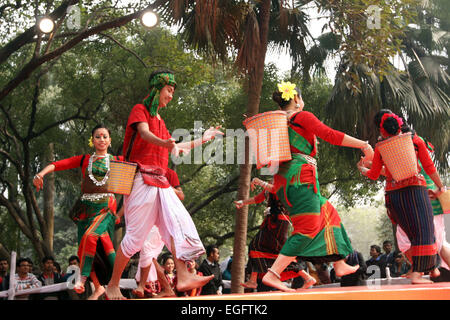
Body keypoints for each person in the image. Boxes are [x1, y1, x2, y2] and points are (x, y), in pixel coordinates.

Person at [105, 69, 222, 300]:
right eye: (169, 91)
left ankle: (184, 275)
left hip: (160, 183)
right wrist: (165, 143)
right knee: (135, 238)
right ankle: (113, 284)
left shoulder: (161, 120)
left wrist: (204, 138)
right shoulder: (140, 111)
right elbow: (145, 134)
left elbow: (177, 147)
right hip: (141, 180)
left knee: (176, 227)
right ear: (157, 89)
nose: (171, 96)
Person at [249, 81, 373, 292]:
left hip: (285, 184)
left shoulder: (277, 124)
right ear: (296, 99)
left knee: (328, 212)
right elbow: (330, 135)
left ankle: (339, 263)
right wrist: (364, 144)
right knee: (306, 229)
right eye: (301, 97)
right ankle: (273, 274)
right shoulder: (301, 117)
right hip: (301, 180)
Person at [33, 124, 121, 299]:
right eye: (97, 136)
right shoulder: (84, 160)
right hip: (86, 210)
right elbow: (58, 164)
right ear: (92, 140)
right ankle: (98, 287)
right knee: (86, 248)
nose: (101, 140)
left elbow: (135, 176)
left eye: (105, 136)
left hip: (105, 209)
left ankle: (87, 278)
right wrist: (40, 174)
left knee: (91, 237)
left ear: (110, 140)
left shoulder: (118, 160)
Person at [358, 110, 445, 284]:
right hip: (415, 191)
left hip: (395, 196)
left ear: (381, 129)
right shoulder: (414, 140)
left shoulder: (381, 147)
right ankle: (417, 274)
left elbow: (375, 174)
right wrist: (440, 187)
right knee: (425, 232)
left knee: (414, 234)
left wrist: (363, 170)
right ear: (398, 122)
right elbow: (428, 167)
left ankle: (433, 268)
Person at [235, 188, 316, 290]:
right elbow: (257, 198)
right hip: (272, 222)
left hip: (279, 222)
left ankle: (253, 280)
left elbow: (276, 190)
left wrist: (259, 182)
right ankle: (253, 279)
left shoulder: (282, 184)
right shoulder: (271, 186)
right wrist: (243, 202)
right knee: (260, 248)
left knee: (260, 247)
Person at [133, 168, 185, 298]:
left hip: (162, 219)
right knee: (149, 255)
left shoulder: (170, 173)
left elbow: (181, 195)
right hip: (145, 217)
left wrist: (164, 186)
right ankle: (163, 288)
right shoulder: (141, 170)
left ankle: (145, 285)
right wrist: (119, 214)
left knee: (147, 249)